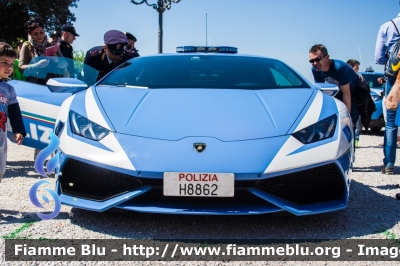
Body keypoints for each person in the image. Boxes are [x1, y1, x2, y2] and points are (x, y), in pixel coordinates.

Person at [309, 44, 360, 146]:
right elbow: (322, 91)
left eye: (317, 59)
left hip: (355, 92)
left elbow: (347, 93)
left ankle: (350, 151)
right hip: (340, 91)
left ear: (327, 57)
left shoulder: (339, 67)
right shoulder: (315, 70)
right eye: (311, 61)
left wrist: (347, 116)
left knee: (348, 122)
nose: (314, 63)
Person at [374, 11, 400, 175]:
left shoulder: (388, 26)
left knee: (391, 123)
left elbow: (378, 58)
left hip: (394, 78)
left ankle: (389, 164)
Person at [0, 42, 26, 182]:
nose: (9, 67)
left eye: (11, 64)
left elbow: (14, 112)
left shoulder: (9, 90)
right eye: (4, 62)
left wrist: (18, 130)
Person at [19, 17, 66, 85]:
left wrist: (57, 60)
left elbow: (65, 64)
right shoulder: (27, 46)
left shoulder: (52, 43)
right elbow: (21, 67)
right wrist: (36, 66)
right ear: (30, 34)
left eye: (41, 32)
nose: (40, 36)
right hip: (36, 85)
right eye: (35, 34)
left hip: (54, 83)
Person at [347, 59, 362, 148]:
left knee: (355, 123)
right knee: (353, 123)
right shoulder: (350, 77)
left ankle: (354, 141)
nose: (358, 69)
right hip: (352, 102)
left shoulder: (357, 77)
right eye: (357, 67)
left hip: (356, 103)